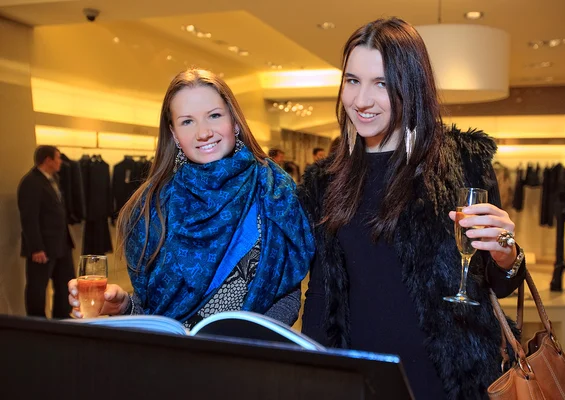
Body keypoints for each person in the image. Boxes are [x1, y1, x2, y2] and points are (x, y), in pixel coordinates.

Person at [298, 18, 526, 399]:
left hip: (449, 382)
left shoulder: (464, 163)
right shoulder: (326, 181)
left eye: (382, 84)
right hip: (362, 378)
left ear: (411, 86)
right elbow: (322, 295)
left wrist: (506, 252)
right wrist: (313, 376)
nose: (361, 100)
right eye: (352, 81)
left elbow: (499, 284)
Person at [68, 69, 315, 328]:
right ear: (174, 134)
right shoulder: (151, 207)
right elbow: (154, 309)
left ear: (235, 121)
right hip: (172, 359)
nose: (203, 132)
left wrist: (245, 344)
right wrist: (124, 307)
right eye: (187, 121)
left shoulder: (273, 190)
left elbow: (287, 294)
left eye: (214, 116)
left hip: (250, 357)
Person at [17, 145, 75, 318]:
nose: (60, 162)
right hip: (43, 247)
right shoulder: (31, 182)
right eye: (58, 158)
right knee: (37, 287)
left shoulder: (53, 179)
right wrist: (36, 248)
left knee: (65, 284)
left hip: (61, 244)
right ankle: (37, 324)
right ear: (48, 160)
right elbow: (29, 218)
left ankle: (61, 321)